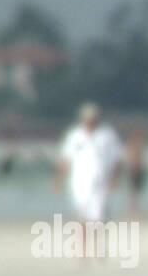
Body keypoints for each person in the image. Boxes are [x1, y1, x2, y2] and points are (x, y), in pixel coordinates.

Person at [53, 103, 124, 257]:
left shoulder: (107, 135)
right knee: (81, 217)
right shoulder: (75, 135)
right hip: (79, 183)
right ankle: (83, 250)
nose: (90, 122)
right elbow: (66, 159)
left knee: (99, 218)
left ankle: (98, 247)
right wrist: (59, 180)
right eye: (87, 119)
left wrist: (114, 179)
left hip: (100, 183)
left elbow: (117, 159)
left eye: (92, 119)